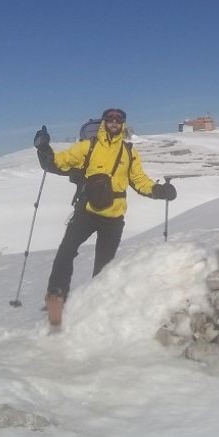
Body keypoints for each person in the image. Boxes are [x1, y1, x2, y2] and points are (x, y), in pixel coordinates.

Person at [33, 108, 176, 327]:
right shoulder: (88, 146)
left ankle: (94, 308)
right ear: (104, 122)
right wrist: (43, 148)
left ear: (123, 123)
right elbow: (58, 162)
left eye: (119, 119)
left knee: (104, 268)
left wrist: (159, 191)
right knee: (66, 252)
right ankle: (56, 297)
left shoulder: (129, 152)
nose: (114, 122)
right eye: (110, 118)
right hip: (86, 212)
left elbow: (139, 180)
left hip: (114, 217)